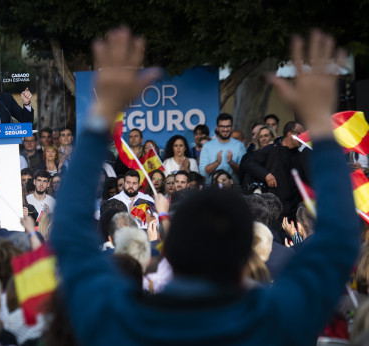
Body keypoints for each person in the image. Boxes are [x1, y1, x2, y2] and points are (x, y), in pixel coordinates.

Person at [50, 27, 359, 345]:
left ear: (169, 251)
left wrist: (101, 116)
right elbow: (339, 239)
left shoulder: (120, 322)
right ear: (247, 254)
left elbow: (69, 238)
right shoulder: (278, 318)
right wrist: (321, 125)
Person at [240, 121, 309, 219]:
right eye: (301, 134)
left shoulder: (302, 152)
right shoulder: (272, 149)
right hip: (274, 210)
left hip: (295, 210)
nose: (303, 137)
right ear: (290, 134)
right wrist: (265, 175)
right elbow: (247, 164)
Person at [198, 113, 246, 184]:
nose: (225, 129)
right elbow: (203, 172)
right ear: (217, 128)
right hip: (211, 189)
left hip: (234, 189)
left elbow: (244, 172)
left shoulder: (240, 146)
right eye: (222, 126)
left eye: (228, 126)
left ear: (232, 127)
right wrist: (217, 163)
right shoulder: (207, 146)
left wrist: (231, 162)